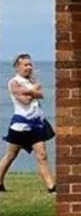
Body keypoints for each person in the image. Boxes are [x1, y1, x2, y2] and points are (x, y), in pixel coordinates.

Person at [0, 54, 56, 193]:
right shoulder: (14, 82)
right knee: (11, 155)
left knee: (42, 155)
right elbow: (23, 100)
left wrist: (30, 91)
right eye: (25, 65)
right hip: (20, 126)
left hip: (36, 125)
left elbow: (40, 95)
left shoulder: (30, 82)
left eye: (30, 64)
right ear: (18, 67)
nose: (29, 67)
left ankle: (51, 187)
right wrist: (34, 91)